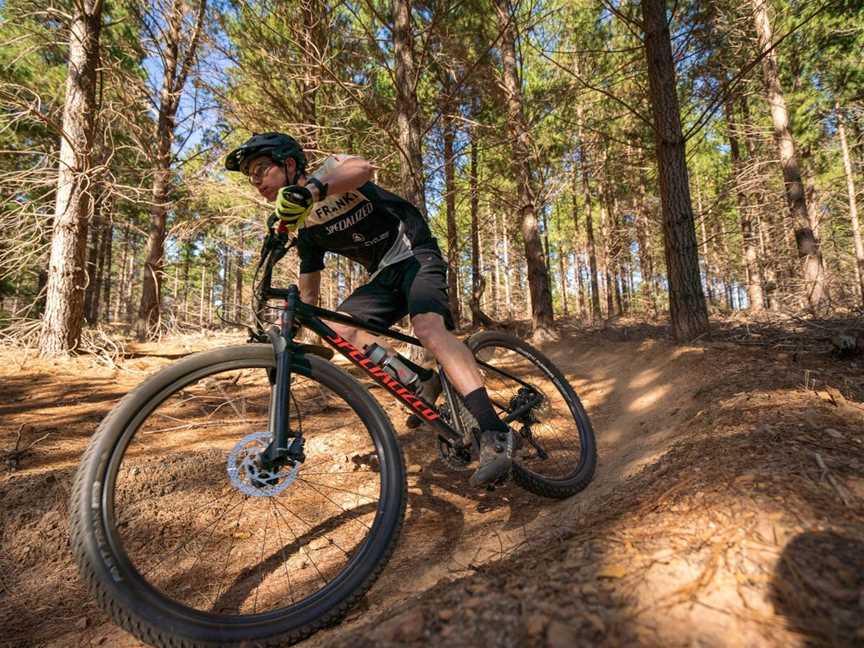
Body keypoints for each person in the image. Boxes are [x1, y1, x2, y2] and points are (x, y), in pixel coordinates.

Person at [226, 132, 512, 487]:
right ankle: (422, 381)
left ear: (288, 164)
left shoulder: (330, 174)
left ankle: (494, 431)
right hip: (383, 275)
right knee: (340, 328)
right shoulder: (304, 224)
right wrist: (291, 329)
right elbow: (310, 293)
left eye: (259, 169)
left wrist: (312, 191)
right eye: (249, 176)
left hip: (416, 255)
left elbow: (362, 168)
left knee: (428, 328)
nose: (255, 182)